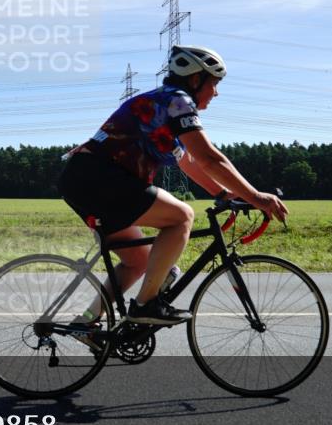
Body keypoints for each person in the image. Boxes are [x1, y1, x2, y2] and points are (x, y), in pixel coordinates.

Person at [57, 45, 288, 325]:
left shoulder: (163, 106)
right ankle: (144, 306)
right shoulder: (178, 101)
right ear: (195, 80)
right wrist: (256, 197)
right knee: (182, 217)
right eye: (214, 83)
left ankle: (87, 322)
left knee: (138, 262)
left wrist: (224, 194)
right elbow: (210, 159)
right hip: (104, 179)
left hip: (85, 179)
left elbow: (189, 161)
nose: (216, 92)